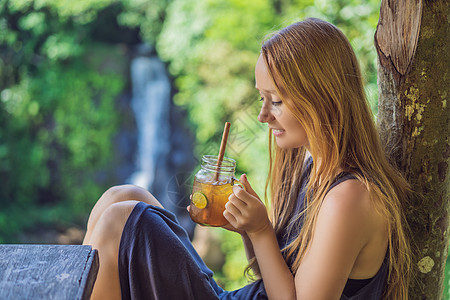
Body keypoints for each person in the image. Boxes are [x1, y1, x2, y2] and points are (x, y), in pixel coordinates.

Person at [83, 18, 412, 299]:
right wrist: (246, 230)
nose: (262, 115)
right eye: (261, 98)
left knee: (121, 219)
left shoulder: (349, 197)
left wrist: (261, 232)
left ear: (321, 97)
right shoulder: (307, 165)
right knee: (123, 195)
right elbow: (273, 279)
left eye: (276, 101)